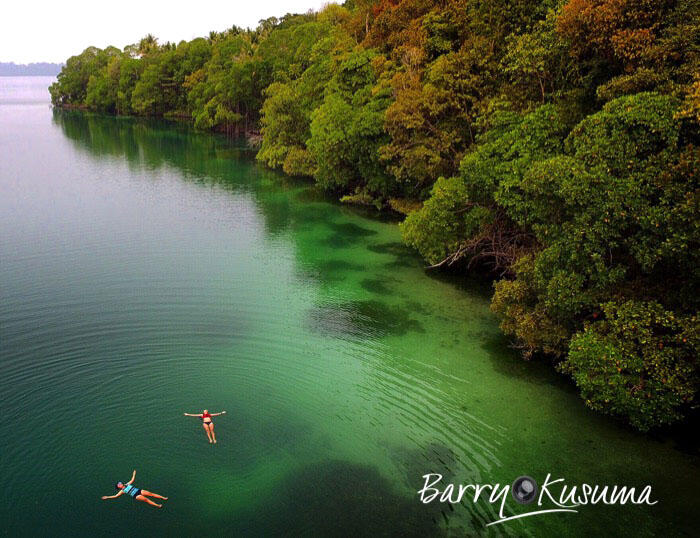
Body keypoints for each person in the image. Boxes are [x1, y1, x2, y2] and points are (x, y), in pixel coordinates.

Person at [101, 470, 168, 508]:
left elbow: (132, 480)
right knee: (146, 500)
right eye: (119, 484)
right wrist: (107, 497)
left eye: (120, 483)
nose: (120, 483)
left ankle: (163, 497)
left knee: (151, 494)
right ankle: (158, 505)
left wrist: (134, 474)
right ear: (119, 487)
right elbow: (115, 496)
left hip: (139, 490)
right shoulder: (122, 491)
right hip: (136, 496)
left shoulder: (127, 484)